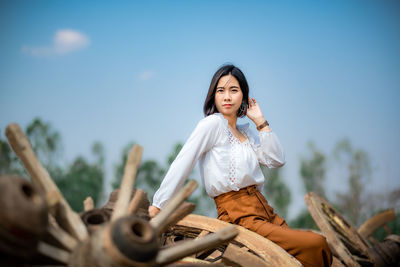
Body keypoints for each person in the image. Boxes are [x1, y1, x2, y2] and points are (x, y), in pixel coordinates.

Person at [148, 64, 332, 267]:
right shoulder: (212, 124)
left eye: (233, 90)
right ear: (213, 96)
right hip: (239, 216)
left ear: (244, 96)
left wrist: (260, 121)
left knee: (299, 257)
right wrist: (159, 205)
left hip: (265, 212)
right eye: (221, 91)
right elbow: (184, 160)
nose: (227, 97)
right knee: (316, 243)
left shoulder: (246, 132)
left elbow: (276, 160)